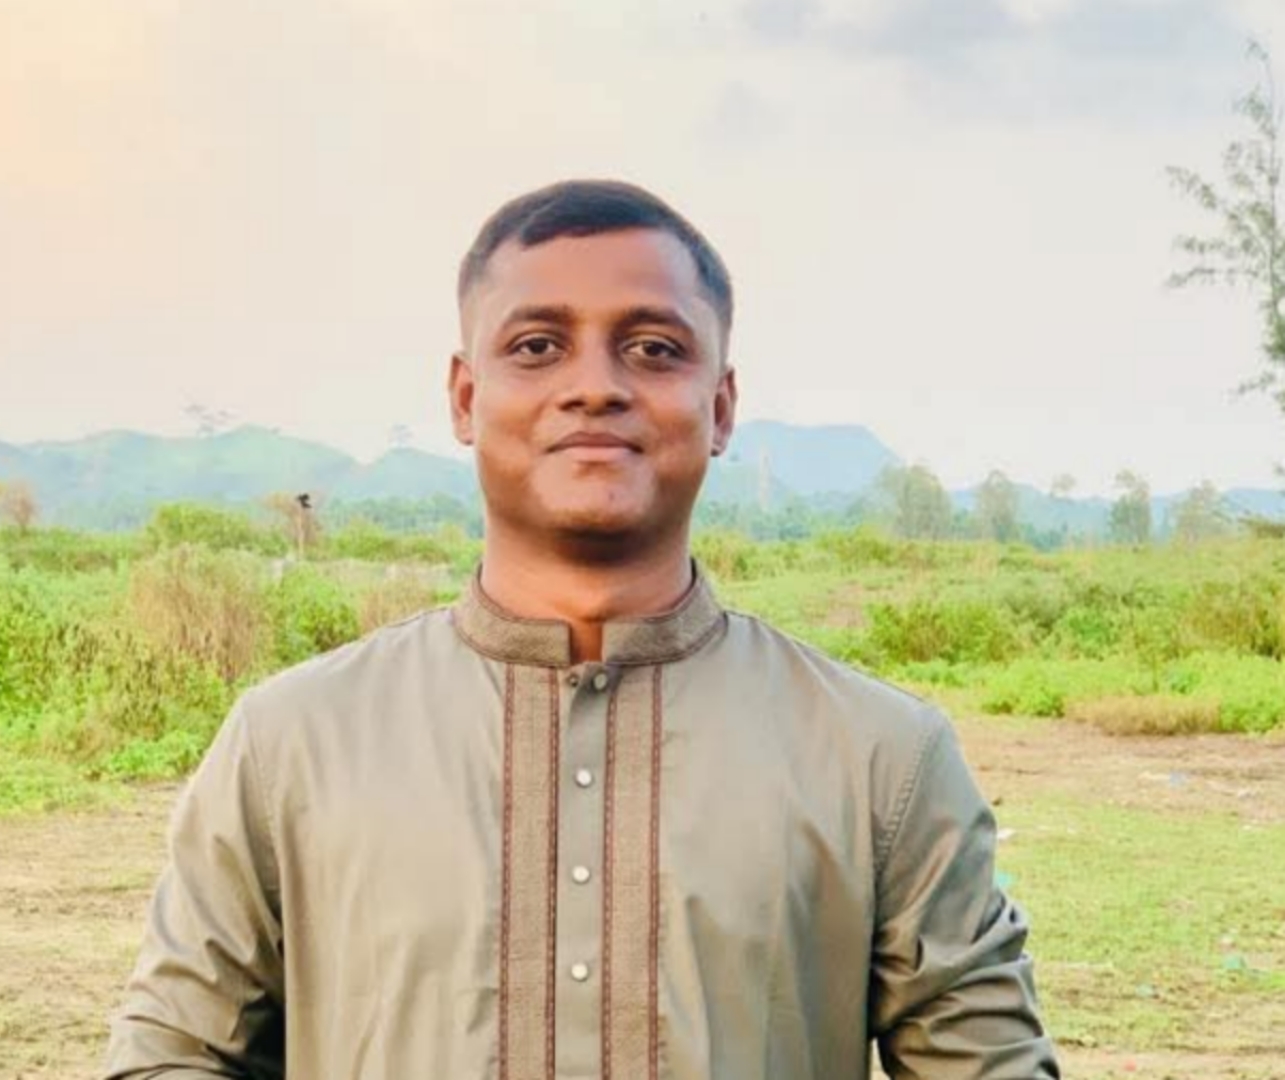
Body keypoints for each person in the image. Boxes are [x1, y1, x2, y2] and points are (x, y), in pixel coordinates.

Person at [104, 179, 1061, 1079]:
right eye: (536, 346)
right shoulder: (291, 743)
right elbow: (173, 1052)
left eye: (653, 348)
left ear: (720, 407)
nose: (594, 386)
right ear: (465, 398)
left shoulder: (879, 758)